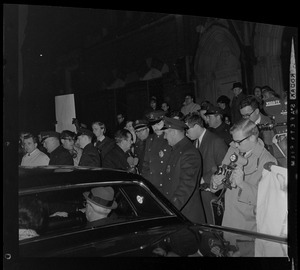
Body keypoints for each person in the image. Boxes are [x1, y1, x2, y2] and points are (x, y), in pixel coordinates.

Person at [210, 119, 277, 256]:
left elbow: (266, 203)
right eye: (233, 141)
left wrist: (242, 184)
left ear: (252, 137)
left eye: (238, 141)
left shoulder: (268, 161)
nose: (235, 144)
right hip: (228, 223)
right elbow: (223, 174)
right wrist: (216, 182)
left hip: (248, 232)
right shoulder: (233, 149)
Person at [184, 113, 228, 224]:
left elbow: (224, 166)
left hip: (212, 192)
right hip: (200, 193)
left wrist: (204, 178)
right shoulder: (195, 142)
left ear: (197, 127)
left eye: (187, 130)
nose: (186, 133)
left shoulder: (216, 141)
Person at [162, 116, 205, 224]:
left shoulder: (189, 153)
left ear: (174, 132)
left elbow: (186, 186)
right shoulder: (176, 150)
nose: (164, 137)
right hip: (177, 213)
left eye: (166, 133)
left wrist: (170, 210)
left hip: (186, 215)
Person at [141, 110, 172, 193]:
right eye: (153, 125)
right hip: (152, 186)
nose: (156, 128)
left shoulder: (171, 138)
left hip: (166, 187)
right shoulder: (149, 139)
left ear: (165, 122)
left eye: (158, 124)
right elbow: (146, 164)